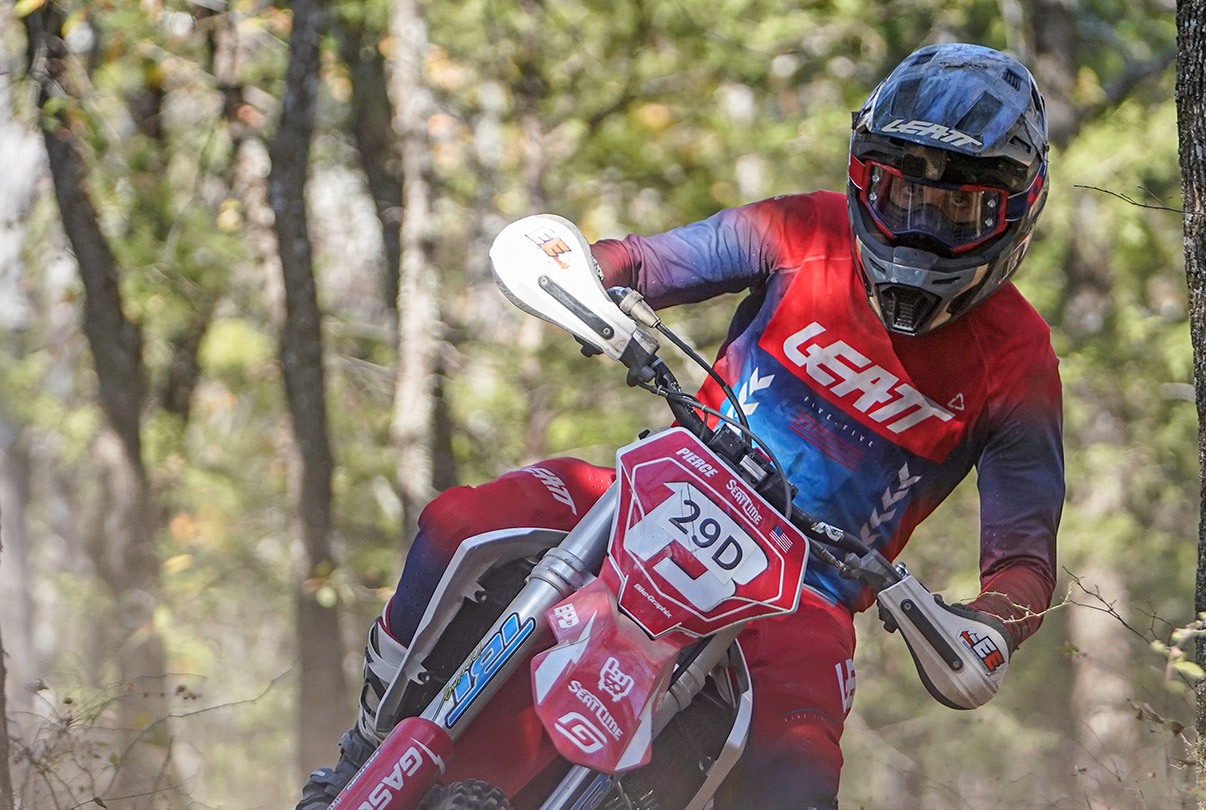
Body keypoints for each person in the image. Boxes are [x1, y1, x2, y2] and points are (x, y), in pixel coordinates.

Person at [298, 42, 1062, 810]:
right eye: (899, 193)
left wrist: (989, 625)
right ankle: (364, 749)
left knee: (798, 779)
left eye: (958, 208)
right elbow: (643, 262)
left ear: (1016, 211)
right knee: (460, 524)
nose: (921, 225)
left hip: (806, 592)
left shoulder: (1019, 359)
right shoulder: (805, 228)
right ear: (863, 177)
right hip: (656, 493)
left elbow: (1023, 563)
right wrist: (586, 275)